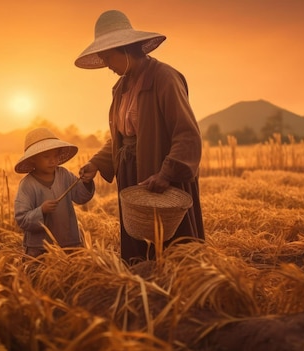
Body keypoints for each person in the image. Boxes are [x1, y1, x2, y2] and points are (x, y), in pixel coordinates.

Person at [76, 10, 205, 265]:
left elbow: (187, 134)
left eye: (107, 57)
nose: (107, 65)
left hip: (157, 173)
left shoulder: (165, 79)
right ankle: (143, 291)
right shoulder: (121, 87)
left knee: (175, 250)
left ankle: (183, 292)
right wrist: (97, 163)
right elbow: (121, 137)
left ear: (124, 48)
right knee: (139, 248)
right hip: (131, 175)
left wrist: (167, 173)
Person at [14, 127, 95, 258]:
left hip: (68, 244)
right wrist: (41, 211)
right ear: (33, 159)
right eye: (46, 157)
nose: (53, 161)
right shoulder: (27, 185)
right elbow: (22, 219)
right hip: (40, 249)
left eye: (55, 156)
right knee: (40, 276)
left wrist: (86, 182)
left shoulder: (64, 175)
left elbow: (81, 196)